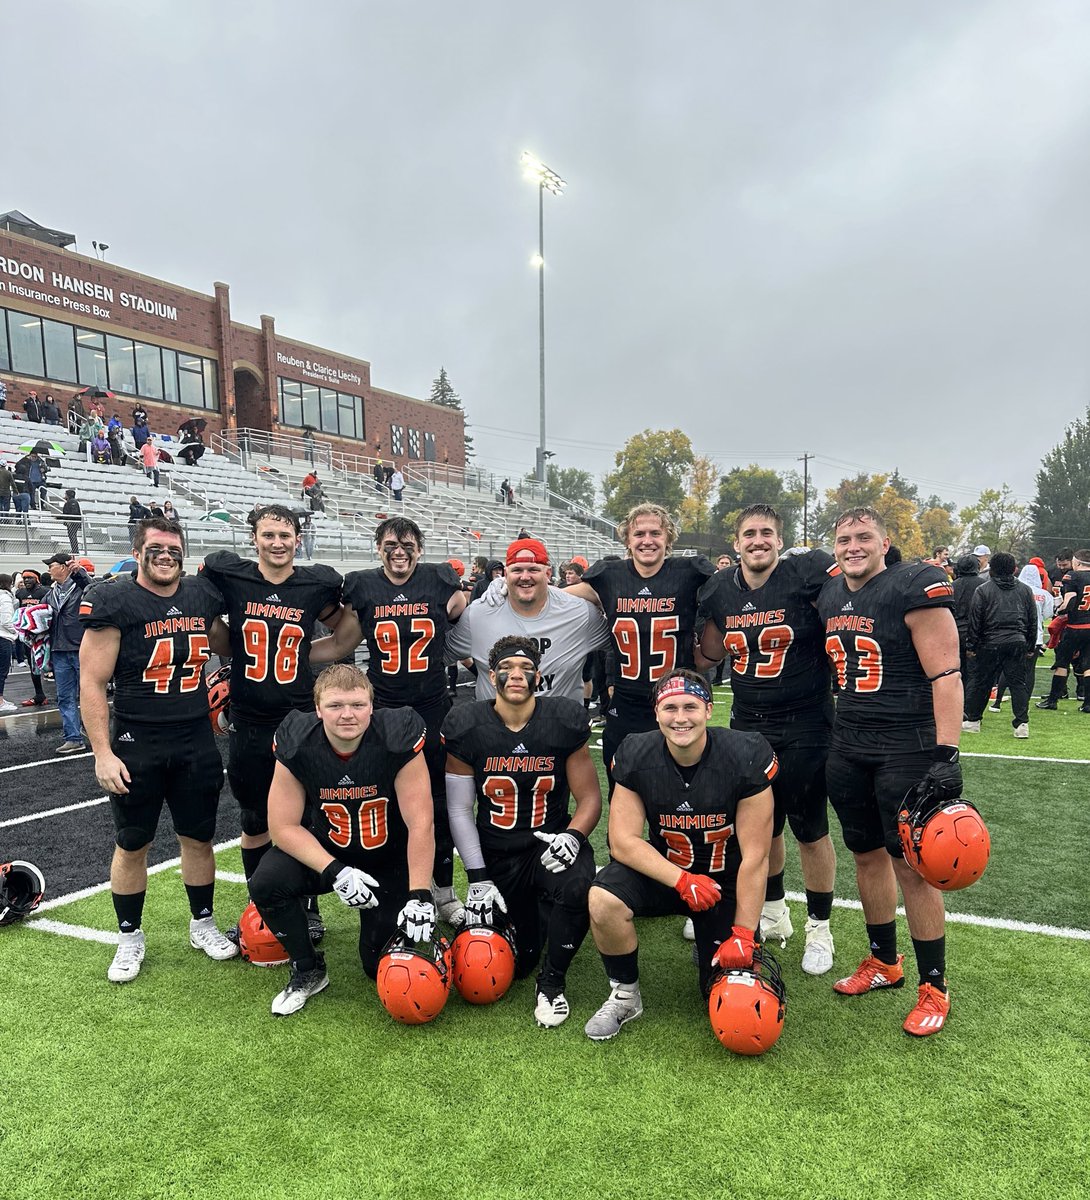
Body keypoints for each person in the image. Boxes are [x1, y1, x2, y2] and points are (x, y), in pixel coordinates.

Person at [815, 506, 962, 1037]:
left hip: (906, 747)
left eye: (863, 537)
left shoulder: (913, 585)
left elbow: (946, 674)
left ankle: (935, 985)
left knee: (912, 867)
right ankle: (884, 961)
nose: (852, 546)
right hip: (849, 742)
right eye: (844, 538)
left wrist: (947, 755)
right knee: (866, 856)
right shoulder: (831, 593)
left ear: (885, 541)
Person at [79, 517, 237, 983]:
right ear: (138, 550)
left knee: (199, 836)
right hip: (137, 739)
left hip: (194, 736)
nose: (165, 556)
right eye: (156, 548)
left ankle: (202, 923)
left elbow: (230, 641)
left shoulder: (201, 595)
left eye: (173, 548)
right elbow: (92, 681)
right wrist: (102, 753)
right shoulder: (114, 599)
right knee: (132, 842)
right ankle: (129, 936)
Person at [583, 670, 776, 1040]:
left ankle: (713, 943)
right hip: (668, 874)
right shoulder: (637, 753)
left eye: (690, 706)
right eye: (670, 707)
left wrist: (744, 932)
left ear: (708, 709)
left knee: (730, 1003)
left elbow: (756, 855)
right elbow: (622, 841)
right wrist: (681, 879)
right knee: (603, 897)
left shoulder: (745, 754)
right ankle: (625, 995)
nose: (680, 717)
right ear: (656, 713)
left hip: (724, 882)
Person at [697, 504, 840, 975]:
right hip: (748, 722)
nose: (758, 540)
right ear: (735, 543)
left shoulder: (806, 574)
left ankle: (820, 926)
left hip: (805, 721)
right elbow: (712, 651)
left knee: (810, 826)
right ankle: (775, 909)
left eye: (767, 533)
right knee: (762, 825)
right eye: (749, 534)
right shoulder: (720, 588)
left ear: (780, 540)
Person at [248, 664, 434, 1016]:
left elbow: (420, 822)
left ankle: (408, 914)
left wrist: (420, 894)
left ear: (372, 706)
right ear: (317, 709)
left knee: (376, 965)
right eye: (335, 706)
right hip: (329, 849)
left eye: (357, 704)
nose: (347, 714)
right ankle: (308, 968)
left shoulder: (397, 735)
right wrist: (335, 871)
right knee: (267, 882)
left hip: (386, 856)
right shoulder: (297, 741)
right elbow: (282, 827)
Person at [443, 636, 602, 1027]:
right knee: (518, 960)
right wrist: (477, 878)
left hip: (549, 845)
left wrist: (574, 836)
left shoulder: (562, 720)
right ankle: (537, 922)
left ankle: (552, 983)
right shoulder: (467, 725)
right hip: (498, 854)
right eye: (507, 669)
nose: (517, 675)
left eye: (525, 668)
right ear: (491, 674)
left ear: (539, 676)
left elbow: (590, 799)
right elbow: (460, 809)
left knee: (579, 884)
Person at [201, 505, 347, 908]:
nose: (277, 543)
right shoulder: (232, 575)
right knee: (253, 818)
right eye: (268, 535)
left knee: (305, 816)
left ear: (298, 540)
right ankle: (262, 905)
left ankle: (307, 904)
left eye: (285, 536)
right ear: (254, 539)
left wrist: (307, 654)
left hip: (297, 717)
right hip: (248, 717)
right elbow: (214, 628)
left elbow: (345, 633)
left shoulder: (315, 583)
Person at [343, 517, 468, 925]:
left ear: (421, 548)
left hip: (432, 706)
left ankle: (445, 892)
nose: (400, 550)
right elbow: (344, 632)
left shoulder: (439, 579)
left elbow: (457, 609)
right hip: (383, 711)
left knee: (440, 801)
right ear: (377, 546)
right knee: (386, 801)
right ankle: (401, 885)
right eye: (392, 543)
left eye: (409, 543)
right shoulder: (361, 585)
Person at [567, 503, 714, 791]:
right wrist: (515, 589)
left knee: (680, 796)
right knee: (622, 789)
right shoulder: (609, 575)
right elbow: (557, 598)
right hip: (626, 703)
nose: (647, 540)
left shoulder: (689, 571)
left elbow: (732, 588)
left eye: (655, 533)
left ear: (668, 539)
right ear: (627, 540)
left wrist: (706, 654)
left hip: (676, 702)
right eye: (639, 533)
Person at [448, 537, 609, 703]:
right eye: (517, 570)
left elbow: (625, 646)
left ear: (548, 574)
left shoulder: (580, 613)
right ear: (506, 574)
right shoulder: (478, 614)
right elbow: (438, 657)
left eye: (533, 569)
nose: (525, 577)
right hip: (495, 725)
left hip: (559, 725)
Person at [961, 553, 1037, 738]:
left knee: (981, 682)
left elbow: (975, 621)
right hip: (1016, 641)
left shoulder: (983, 590)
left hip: (989, 642)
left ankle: (973, 720)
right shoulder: (1025, 590)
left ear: (992, 569)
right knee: (1018, 684)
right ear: (1014, 569)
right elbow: (1032, 620)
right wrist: (1030, 645)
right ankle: (1021, 725)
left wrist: (971, 645)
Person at [43, 553, 92, 754]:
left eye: (51, 565)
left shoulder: (81, 587)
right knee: (64, 697)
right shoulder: (49, 594)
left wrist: (80, 572)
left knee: (90, 695)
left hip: (83, 648)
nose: (48, 569)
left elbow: (95, 589)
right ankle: (73, 737)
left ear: (63, 567)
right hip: (59, 650)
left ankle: (100, 735)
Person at [1036, 549, 1090, 712]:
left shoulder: (1072, 576)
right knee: (1088, 665)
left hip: (1074, 627)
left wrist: (1060, 610)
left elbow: (1070, 600)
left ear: (1078, 563)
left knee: (1062, 663)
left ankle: (1052, 700)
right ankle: (1088, 704)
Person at [15, 568, 49, 707]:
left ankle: (64, 693)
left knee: (49, 664)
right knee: (33, 666)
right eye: (24, 578)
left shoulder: (45, 592)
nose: (26, 580)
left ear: (37, 579)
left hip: (43, 634)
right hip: (28, 636)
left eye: (30, 577)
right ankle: (39, 695)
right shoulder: (20, 593)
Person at [0, 574, 16, 713]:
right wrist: (16, 631)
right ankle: (0, 701)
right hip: (3, 637)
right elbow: (6, 621)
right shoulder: (4, 597)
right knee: (2, 671)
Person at [61, 489, 82, 554]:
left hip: (73, 522)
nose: (65, 496)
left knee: (72, 536)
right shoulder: (70, 502)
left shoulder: (72, 502)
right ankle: (74, 550)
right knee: (72, 536)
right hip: (73, 521)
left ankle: (75, 550)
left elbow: (73, 513)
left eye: (66, 494)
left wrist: (68, 519)